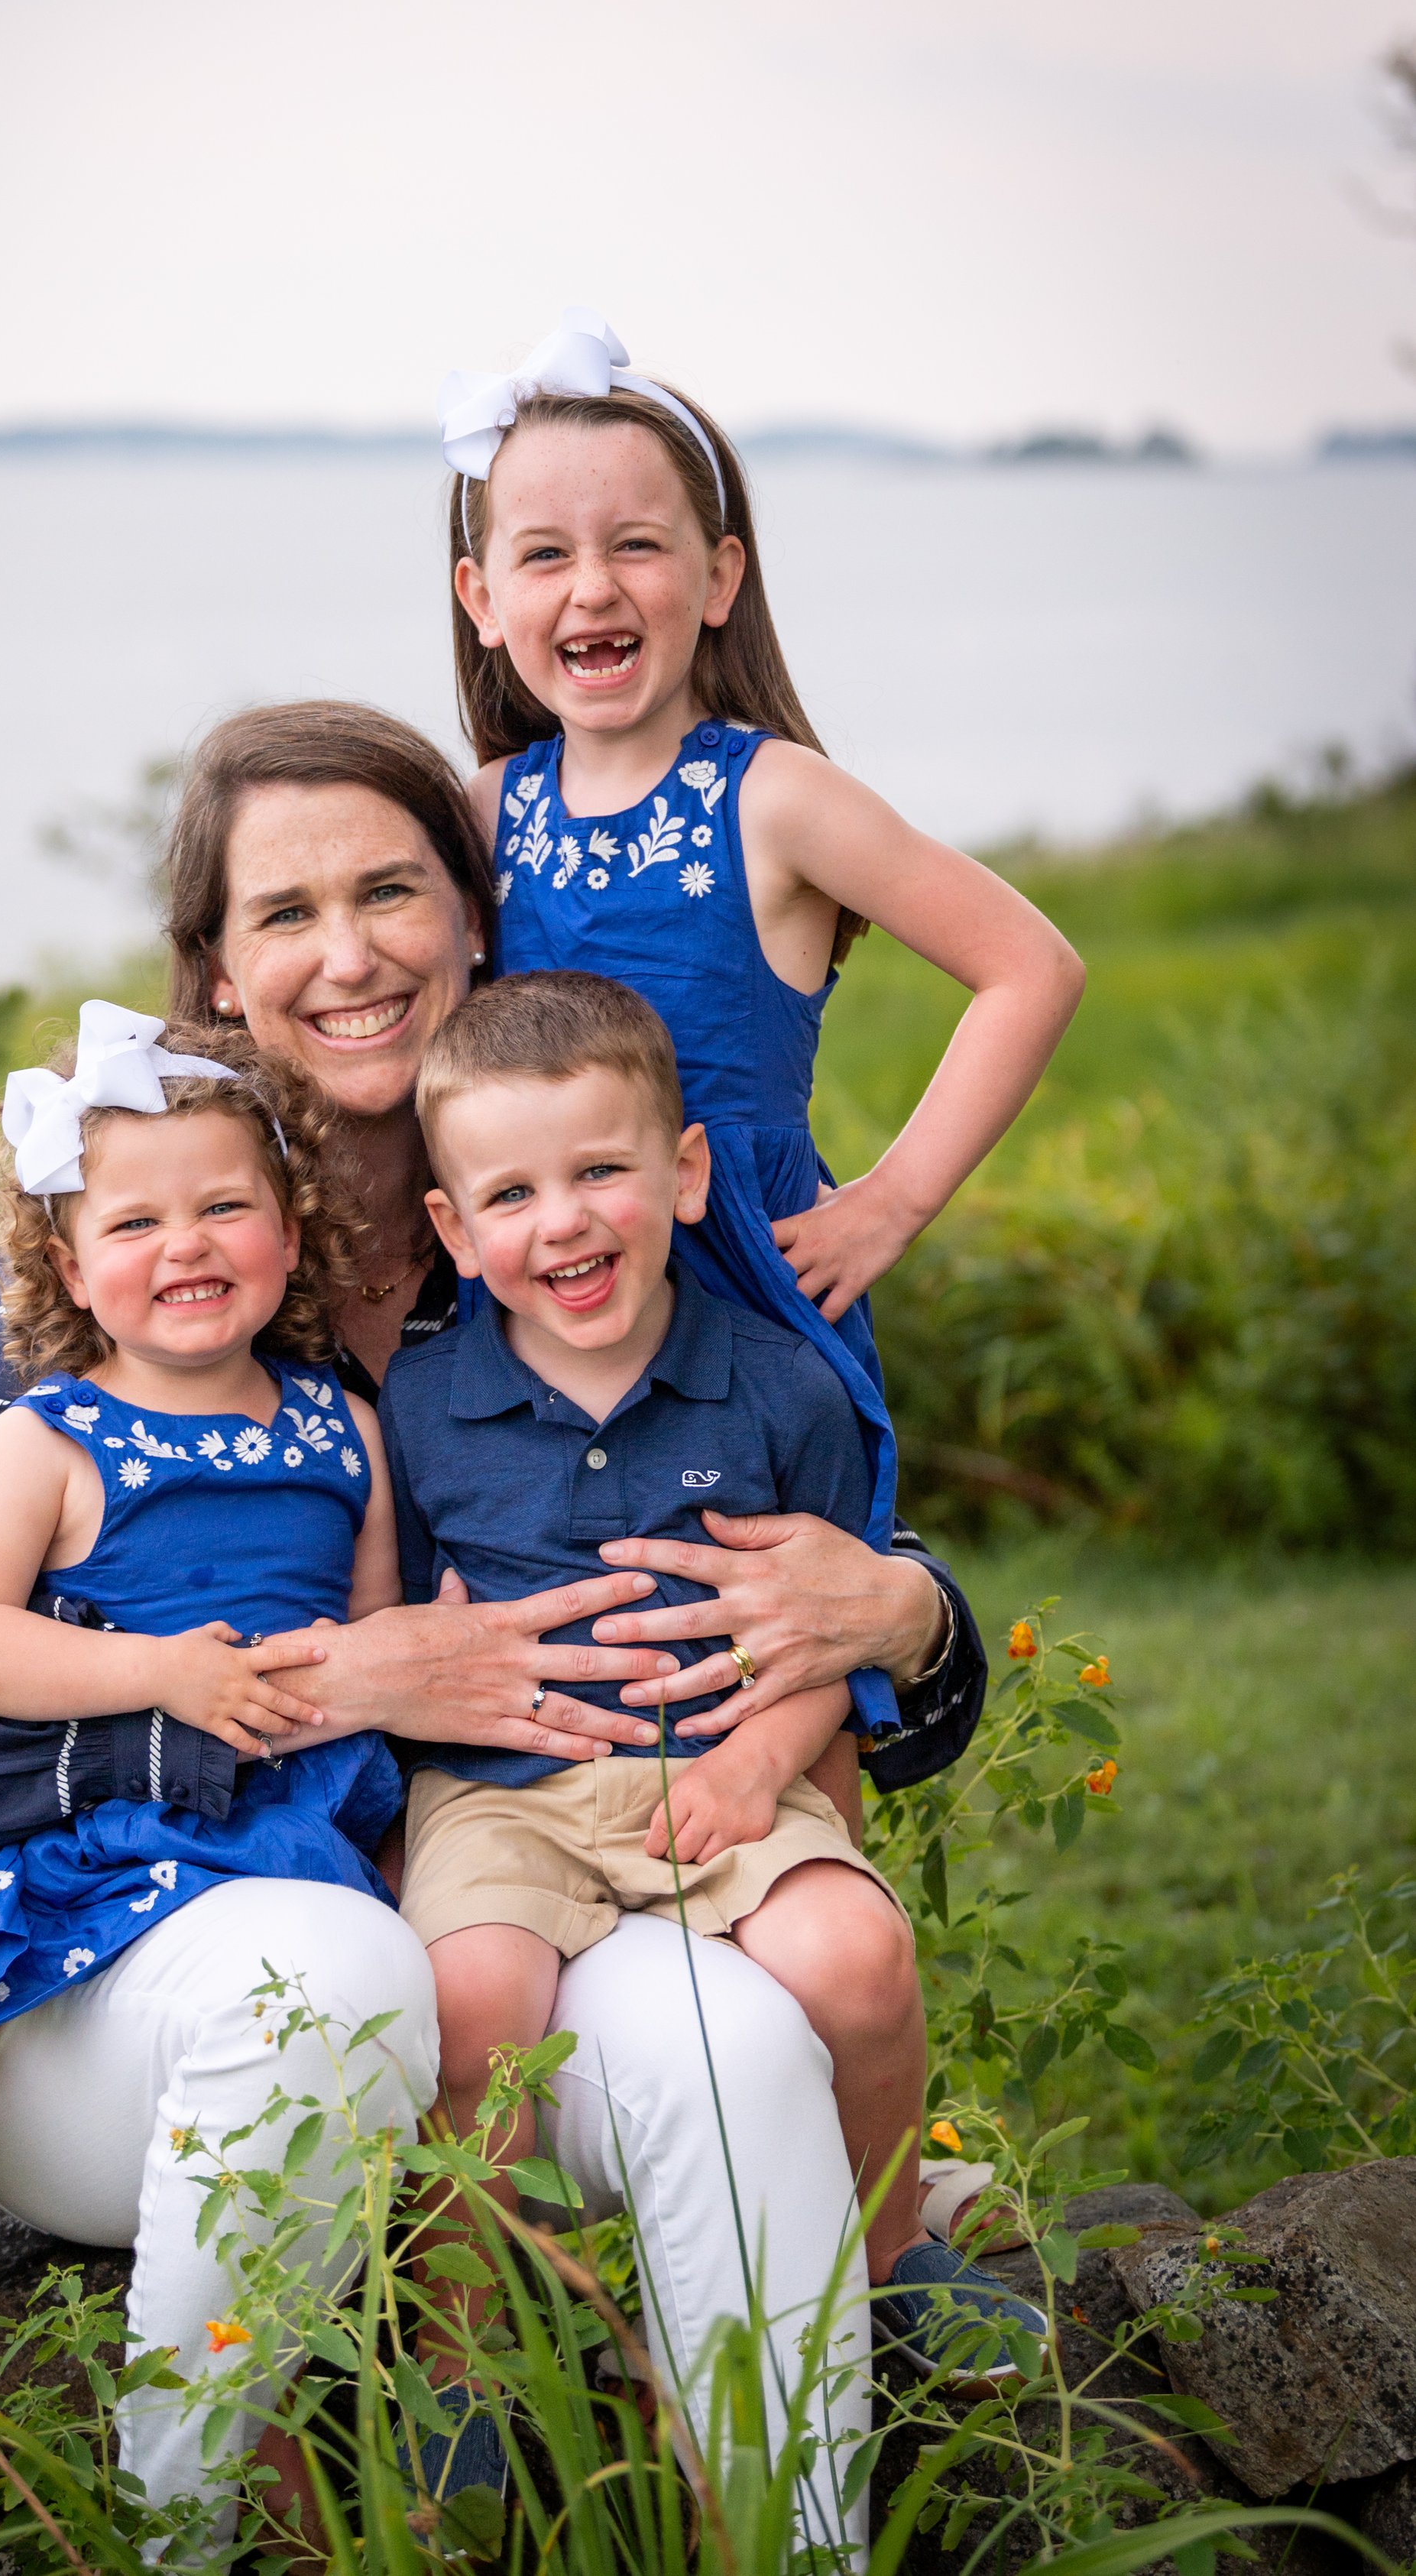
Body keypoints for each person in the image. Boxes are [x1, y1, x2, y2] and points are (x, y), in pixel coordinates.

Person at [0, 700, 994, 2546]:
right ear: (215, 972)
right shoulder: (145, 1276)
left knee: (750, 2048)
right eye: (282, 913)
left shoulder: (599, 1202)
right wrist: (329, 1683)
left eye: (391, 890)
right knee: (348, 1979)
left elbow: (813, 1547)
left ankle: (780, 2499)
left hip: (542, 1876)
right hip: (208, 1953)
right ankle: (249, 2477)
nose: (349, 950)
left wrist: (912, 1610)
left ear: (477, 916)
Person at [442, 308, 1084, 1802]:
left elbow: (1025, 965)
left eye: (637, 546)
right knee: (578, 1666)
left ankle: (816, 1962)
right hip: (547, 1299)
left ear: (718, 575)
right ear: (480, 596)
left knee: (779, 1675)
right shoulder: (475, 819)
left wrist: (891, 1200)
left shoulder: (773, 800)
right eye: (542, 553)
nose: (591, 588)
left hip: (741, 1289)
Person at [384, 970, 1046, 2410]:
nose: (560, 1220)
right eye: (510, 1193)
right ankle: (460, 2344)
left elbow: (840, 1639)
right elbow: (410, 1631)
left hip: (732, 1766)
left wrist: (761, 1770)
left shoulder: (782, 1386)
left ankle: (881, 2262)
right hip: (511, 1796)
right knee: (470, 1998)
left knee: (859, 1961)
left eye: (601, 1171)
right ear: (453, 1226)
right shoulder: (421, 1403)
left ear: (686, 1174)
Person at [0, 1009, 413, 2401]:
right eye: (135, 1224)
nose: (184, 1245)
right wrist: (162, 1674)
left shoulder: (341, 1431)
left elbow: (377, 1639)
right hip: (62, 1808)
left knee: (314, 2018)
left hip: (265, 1810)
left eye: (222, 1208)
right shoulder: (45, 1435)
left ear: (291, 1227)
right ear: (69, 1266)